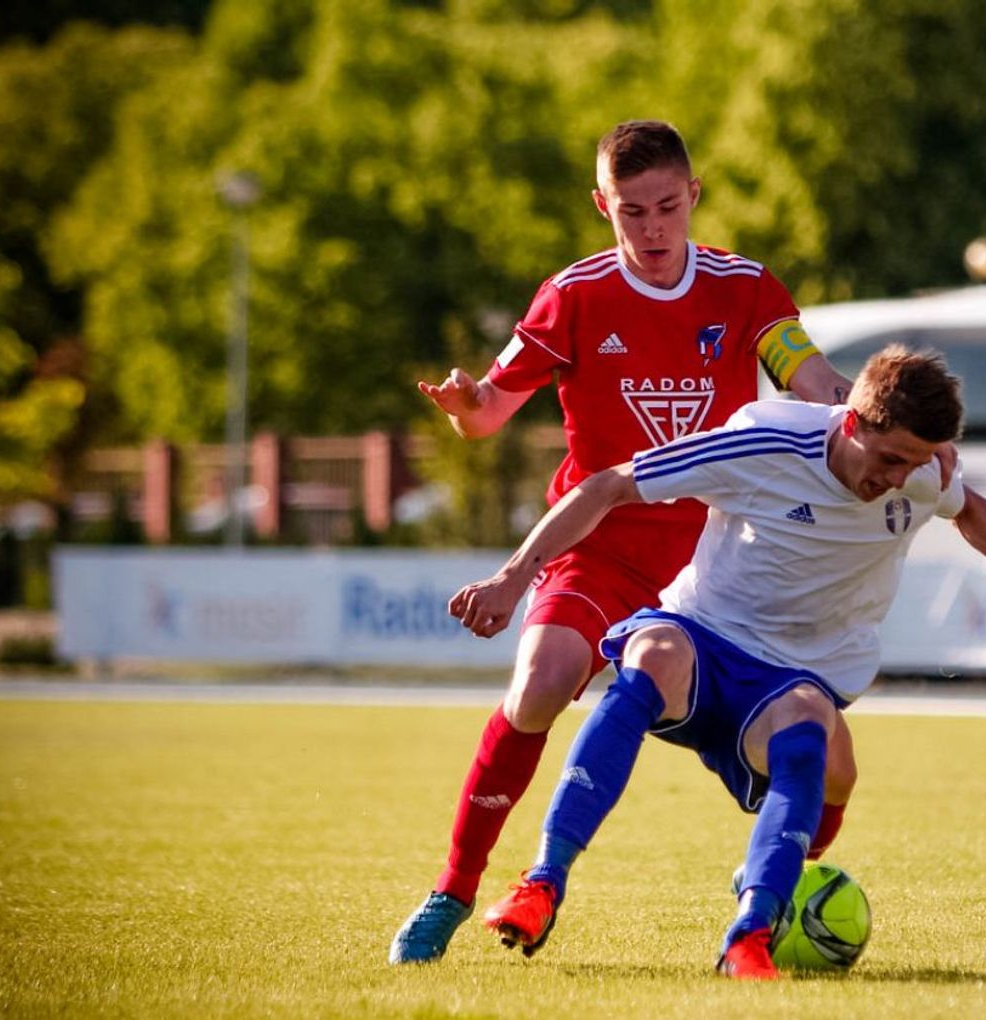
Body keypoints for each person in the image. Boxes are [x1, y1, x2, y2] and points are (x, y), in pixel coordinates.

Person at [452, 345, 986, 979]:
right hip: (704, 635)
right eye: (890, 459)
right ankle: (542, 883)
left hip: (798, 674)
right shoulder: (763, 442)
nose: (899, 479)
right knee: (652, 654)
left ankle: (750, 934)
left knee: (817, 739)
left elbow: (969, 509)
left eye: (914, 464)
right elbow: (608, 486)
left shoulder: (927, 470)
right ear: (852, 422)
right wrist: (513, 578)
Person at [390, 120, 877, 964]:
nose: (652, 229)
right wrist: (469, 409)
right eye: (631, 212)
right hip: (600, 545)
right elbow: (490, 412)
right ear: (601, 206)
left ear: (694, 195)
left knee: (831, 760)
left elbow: (814, 379)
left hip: (719, 564)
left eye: (666, 207)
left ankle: (786, 876)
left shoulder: (746, 288)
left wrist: (877, 416)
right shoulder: (572, 296)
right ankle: (454, 890)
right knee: (539, 685)